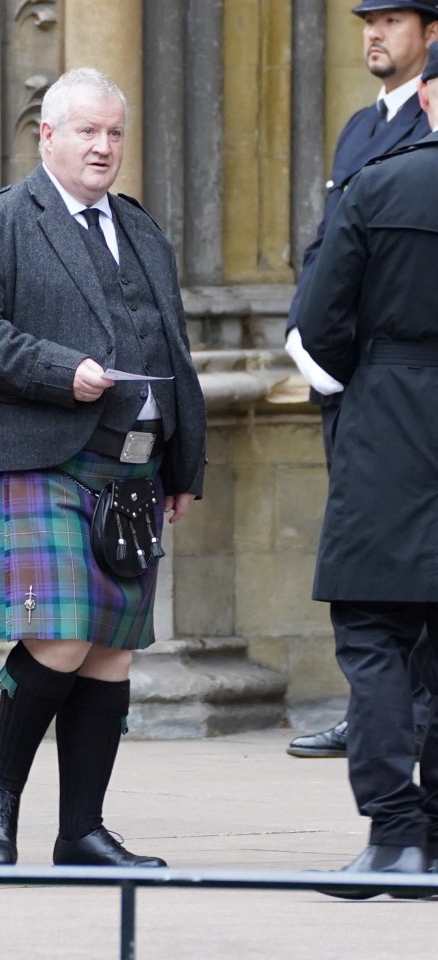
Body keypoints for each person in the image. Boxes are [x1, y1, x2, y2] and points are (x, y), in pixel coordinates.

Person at [0, 68, 207, 868]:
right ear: (45, 134)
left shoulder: (140, 228)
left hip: (131, 471)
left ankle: (80, 832)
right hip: (40, 455)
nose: (102, 147)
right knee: (58, 635)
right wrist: (64, 369)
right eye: (87, 131)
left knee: (111, 651)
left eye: (114, 133)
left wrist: (183, 461)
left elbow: (174, 352)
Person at [295, 41, 438, 895]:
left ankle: (394, 834)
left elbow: (317, 327)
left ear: (424, 103)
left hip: (387, 420)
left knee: (374, 633)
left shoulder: (377, 185)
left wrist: (370, 388)